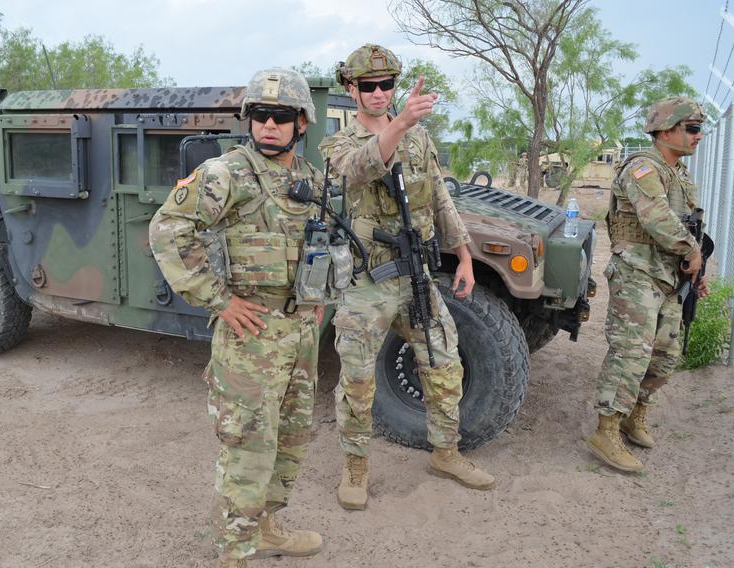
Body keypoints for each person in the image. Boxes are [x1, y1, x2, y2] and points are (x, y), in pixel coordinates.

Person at [150, 68, 326, 568]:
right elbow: (168, 230)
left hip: (300, 333)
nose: (269, 125)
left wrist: (319, 298)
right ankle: (235, 553)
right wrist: (219, 300)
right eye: (260, 115)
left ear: (301, 123)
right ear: (249, 120)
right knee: (248, 446)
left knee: (290, 440)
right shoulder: (226, 173)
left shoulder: (311, 181)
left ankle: (267, 527)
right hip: (251, 336)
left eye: (282, 116)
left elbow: (324, 247)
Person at [319, 44, 495, 511]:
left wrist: (464, 255)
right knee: (357, 378)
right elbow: (358, 170)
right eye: (369, 86)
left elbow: (440, 197)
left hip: (415, 274)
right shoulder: (339, 142)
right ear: (351, 89)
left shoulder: (419, 139)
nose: (379, 93)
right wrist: (400, 124)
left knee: (443, 364)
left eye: (387, 85)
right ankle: (355, 465)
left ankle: (446, 452)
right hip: (367, 280)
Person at [586, 96, 710, 473]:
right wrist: (691, 251)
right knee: (631, 352)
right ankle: (605, 430)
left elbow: (689, 227)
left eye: (699, 129)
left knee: (665, 355)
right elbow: (655, 217)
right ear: (666, 129)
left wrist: (696, 272)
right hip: (638, 272)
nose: (698, 136)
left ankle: (633, 414)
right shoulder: (641, 168)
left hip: (670, 275)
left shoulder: (680, 175)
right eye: (691, 129)